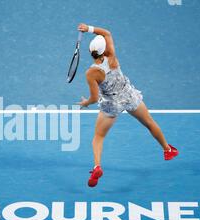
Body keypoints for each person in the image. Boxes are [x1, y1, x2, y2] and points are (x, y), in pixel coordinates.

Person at [77, 23, 179, 187]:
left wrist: (85, 102)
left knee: (99, 137)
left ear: (90, 52)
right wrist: (88, 28)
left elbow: (94, 98)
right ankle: (167, 149)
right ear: (104, 49)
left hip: (112, 104)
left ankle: (97, 167)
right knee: (150, 123)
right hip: (129, 96)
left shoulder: (91, 73)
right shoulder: (112, 57)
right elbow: (107, 33)